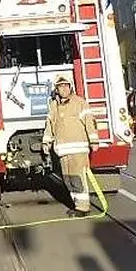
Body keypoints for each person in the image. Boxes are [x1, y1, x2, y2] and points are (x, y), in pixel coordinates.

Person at [40, 75, 98, 217]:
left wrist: (94, 141)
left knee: (77, 178)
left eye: (66, 86)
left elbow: (89, 123)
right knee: (68, 179)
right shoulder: (54, 106)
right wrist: (46, 142)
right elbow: (50, 126)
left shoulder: (80, 103)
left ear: (70, 87)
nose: (64, 89)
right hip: (62, 151)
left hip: (78, 149)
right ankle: (76, 204)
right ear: (57, 89)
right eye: (61, 86)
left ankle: (83, 207)